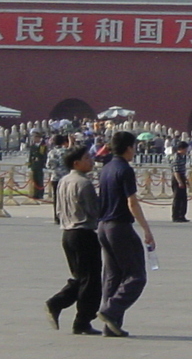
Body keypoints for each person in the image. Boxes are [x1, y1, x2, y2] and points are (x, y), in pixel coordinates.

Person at [96, 130, 155, 337]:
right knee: (136, 276)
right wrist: (146, 229)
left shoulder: (106, 168)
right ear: (129, 147)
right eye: (134, 147)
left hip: (103, 226)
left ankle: (110, 326)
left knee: (112, 276)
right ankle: (110, 310)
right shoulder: (125, 169)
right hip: (120, 226)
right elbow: (132, 202)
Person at [45, 145, 102, 335]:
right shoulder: (84, 184)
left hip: (67, 233)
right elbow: (94, 210)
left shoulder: (63, 181)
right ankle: (80, 319)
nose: (91, 160)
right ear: (76, 163)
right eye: (87, 158)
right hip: (83, 232)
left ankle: (59, 304)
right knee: (91, 280)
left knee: (81, 277)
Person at [170, 141, 191, 223]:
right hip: (177, 178)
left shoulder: (183, 157)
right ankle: (175, 215)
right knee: (177, 198)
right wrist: (179, 182)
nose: (186, 150)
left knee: (183, 198)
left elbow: (182, 170)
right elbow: (176, 171)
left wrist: (185, 180)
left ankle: (182, 215)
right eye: (185, 149)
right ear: (181, 149)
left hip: (182, 176)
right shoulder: (176, 157)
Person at [27, 133, 48, 202]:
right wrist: (30, 163)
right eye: (34, 138)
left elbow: (43, 155)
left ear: (39, 138)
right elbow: (30, 155)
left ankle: (40, 194)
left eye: (36, 138)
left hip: (40, 165)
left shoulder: (42, 146)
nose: (35, 139)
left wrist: (43, 163)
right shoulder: (33, 146)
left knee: (40, 180)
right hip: (34, 165)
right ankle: (35, 193)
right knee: (34, 180)